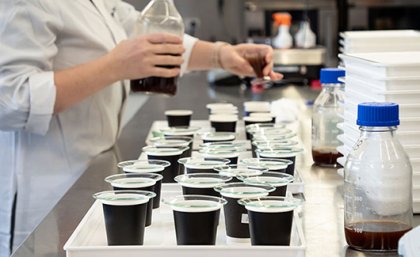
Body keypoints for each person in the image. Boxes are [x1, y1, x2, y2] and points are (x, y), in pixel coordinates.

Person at [0, 0, 282, 256]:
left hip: (94, 174)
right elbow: (10, 100)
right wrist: (114, 66)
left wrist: (222, 55)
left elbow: (146, 33)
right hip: (44, 192)